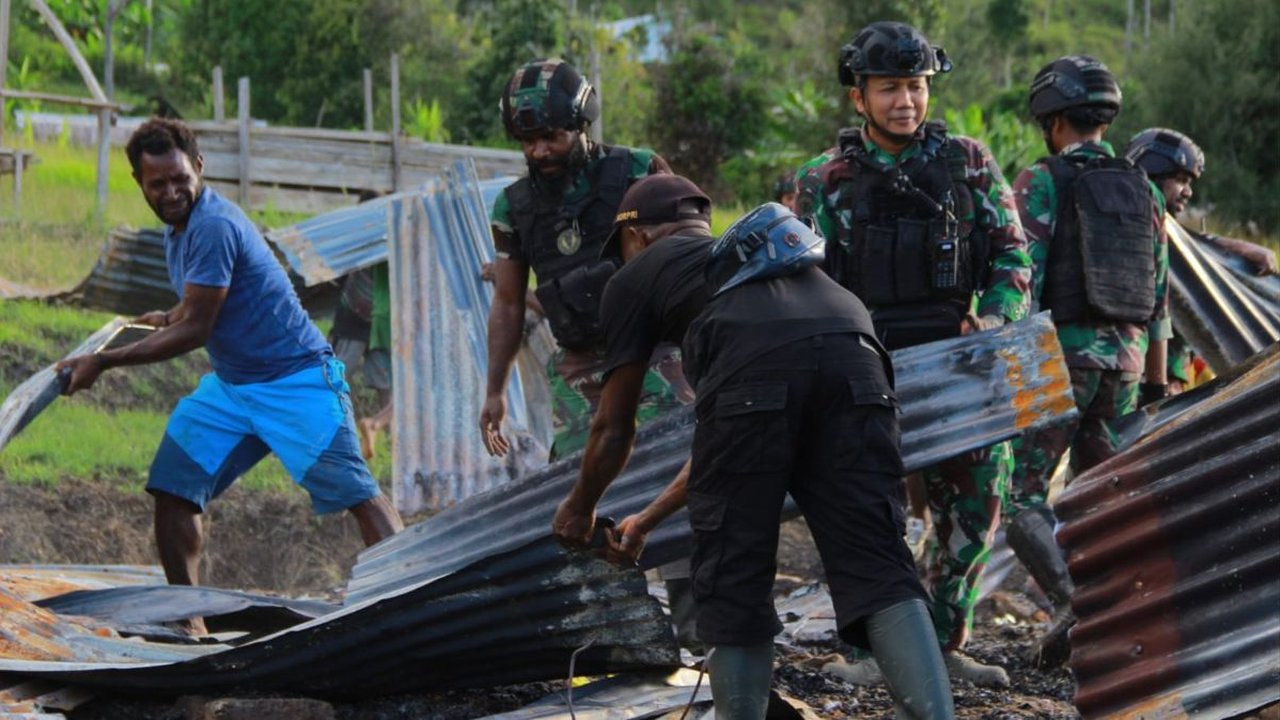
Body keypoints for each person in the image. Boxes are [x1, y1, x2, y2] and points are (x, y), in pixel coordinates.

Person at [552, 174, 954, 720]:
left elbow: (613, 428)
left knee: (733, 570)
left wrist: (579, 508)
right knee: (879, 561)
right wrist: (647, 519)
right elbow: (726, 442)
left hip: (760, 372)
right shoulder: (761, 264)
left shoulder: (638, 278)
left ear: (638, 236)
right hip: (857, 351)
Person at [56, 119, 404, 630]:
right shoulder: (178, 233)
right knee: (173, 490)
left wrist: (104, 362)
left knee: (359, 495)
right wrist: (168, 315)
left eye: (180, 179)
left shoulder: (215, 224)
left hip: (295, 380)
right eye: (158, 184)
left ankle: (413, 598)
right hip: (235, 386)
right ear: (139, 182)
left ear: (199, 167)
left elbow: (198, 328)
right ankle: (188, 623)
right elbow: (198, 305)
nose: (172, 192)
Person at [794, 21, 1032, 686]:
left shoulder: (969, 162)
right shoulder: (823, 179)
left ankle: (943, 643)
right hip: (864, 370)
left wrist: (993, 313)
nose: (906, 100)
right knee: (871, 516)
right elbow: (798, 280)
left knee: (980, 505)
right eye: (891, 87)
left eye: (917, 86)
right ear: (859, 98)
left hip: (962, 367)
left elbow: (1014, 253)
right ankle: (875, 656)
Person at [1008, 56, 1171, 664]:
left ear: (1051, 121)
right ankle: (1103, 627)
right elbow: (1158, 298)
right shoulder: (1144, 187)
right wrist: (1154, 385)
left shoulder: (1042, 180)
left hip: (1059, 360)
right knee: (1098, 498)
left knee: (1018, 492)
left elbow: (1022, 283)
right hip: (1126, 367)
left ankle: (1073, 603)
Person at [478, 58, 692, 461]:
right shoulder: (513, 207)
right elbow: (508, 303)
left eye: (551, 137)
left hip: (655, 351)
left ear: (581, 125)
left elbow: (692, 254)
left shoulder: (639, 171)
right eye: (527, 141)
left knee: (673, 464)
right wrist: (494, 392)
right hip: (580, 364)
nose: (540, 151)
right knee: (579, 489)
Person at [1124, 128, 1277, 393]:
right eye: (1181, 180)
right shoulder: (1130, 223)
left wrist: (1231, 248)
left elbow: (1189, 244)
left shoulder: (1164, 231)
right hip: (1138, 379)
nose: (1188, 192)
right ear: (1153, 170)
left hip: (1163, 380)